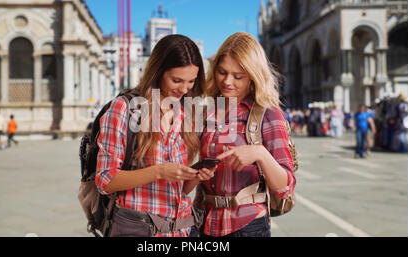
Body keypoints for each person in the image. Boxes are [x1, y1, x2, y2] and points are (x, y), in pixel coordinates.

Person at [95, 34, 214, 237]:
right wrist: (158, 172)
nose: (184, 89)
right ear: (158, 71)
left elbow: (180, 191)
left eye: (191, 81)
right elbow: (105, 180)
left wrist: (196, 176)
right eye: (177, 80)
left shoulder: (187, 113)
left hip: (183, 230)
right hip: (139, 229)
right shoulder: (125, 109)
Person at [189, 32, 296, 237]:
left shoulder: (268, 114)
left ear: (253, 77)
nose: (227, 81)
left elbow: (286, 187)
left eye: (238, 76)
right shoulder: (207, 111)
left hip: (247, 227)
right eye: (222, 72)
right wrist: (196, 173)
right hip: (203, 222)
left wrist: (260, 154)